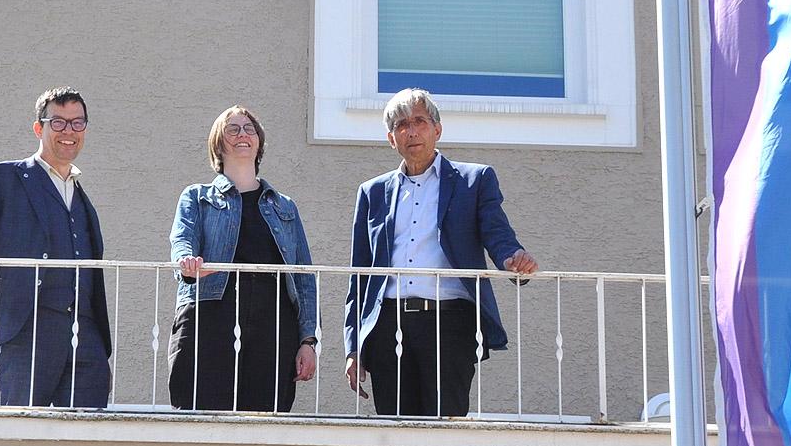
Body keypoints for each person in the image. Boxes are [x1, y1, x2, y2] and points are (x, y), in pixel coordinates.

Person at [344, 88, 539, 417]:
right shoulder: (372, 192)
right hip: (387, 325)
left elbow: (497, 232)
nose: (412, 131)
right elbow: (359, 275)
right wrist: (354, 347)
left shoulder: (473, 180)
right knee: (395, 430)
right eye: (402, 125)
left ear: (437, 129)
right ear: (392, 138)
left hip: (448, 322)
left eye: (420, 121)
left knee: (445, 427)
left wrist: (512, 259)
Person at [0, 86, 111, 408]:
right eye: (59, 122)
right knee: (23, 425)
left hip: (85, 329)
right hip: (28, 327)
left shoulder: (79, 193)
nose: (69, 131)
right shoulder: (5, 176)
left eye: (77, 123)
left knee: (88, 431)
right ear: (40, 128)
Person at [169, 106, 318, 412]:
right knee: (200, 413)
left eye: (249, 129)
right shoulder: (197, 197)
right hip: (211, 313)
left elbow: (303, 277)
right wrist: (187, 262)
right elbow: (182, 239)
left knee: (265, 419)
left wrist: (307, 340)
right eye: (233, 129)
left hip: (272, 321)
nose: (242, 135)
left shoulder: (284, 207)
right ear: (218, 143)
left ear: (259, 142)